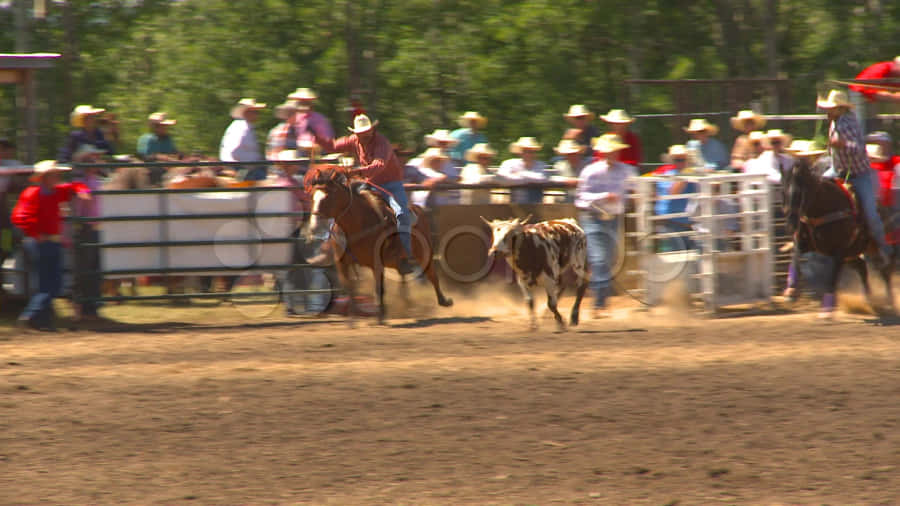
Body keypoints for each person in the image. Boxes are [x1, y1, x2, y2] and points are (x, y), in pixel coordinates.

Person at [314, 114, 419, 274]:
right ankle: (329, 243)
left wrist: (355, 171)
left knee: (401, 213)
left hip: (391, 185)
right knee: (340, 201)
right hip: (370, 182)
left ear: (371, 131)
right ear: (356, 133)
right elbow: (333, 146)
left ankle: (405, 255)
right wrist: (316, 137)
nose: (363, 136)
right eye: (360, 133)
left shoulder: (382, 143)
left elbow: (379, 165)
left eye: (366, 132)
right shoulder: (353, 140)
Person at [12, 160, 91, 331]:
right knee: (49, 283)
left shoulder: (56, 192)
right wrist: (35, 234)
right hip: (40, 242)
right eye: (54, 174)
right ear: (45, 177)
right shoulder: (33, 193)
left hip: (51, 241)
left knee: (50, 284)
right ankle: (32, 315)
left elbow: (76, 185)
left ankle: (40, 320)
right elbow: (20, 217)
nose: (57, 177)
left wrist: (83, 191)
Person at [817, 89, 892, 267]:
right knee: (817, 190)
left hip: (860, 174)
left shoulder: (849, 123)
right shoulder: (835, 122)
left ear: (840, 109)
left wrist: (842, 144)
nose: (828, 111)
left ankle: (884, 249)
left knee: (871, 213)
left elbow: (858, 149)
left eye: (832, 108)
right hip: (838, 170)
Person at [575, 134, 637, 318]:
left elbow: (637, 186)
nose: (613, 154)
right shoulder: (590, 171)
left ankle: (599, 301)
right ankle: (599, 305)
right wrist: (603, 196)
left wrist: (638, 194)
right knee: (600, 259)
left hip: (613, 218)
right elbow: (581, 198)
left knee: (607, 260)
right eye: (610, 151)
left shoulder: (626, 170)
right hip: (593, 217)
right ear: (602, 152)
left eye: (615, 151)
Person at [220, 98, 267, 181]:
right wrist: (250, 165)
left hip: (241, 166)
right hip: (242, 168)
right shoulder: (242, 128)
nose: (258, 114)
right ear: (246, 112)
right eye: (255, 112)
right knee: (262, 182)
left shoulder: (240, 126)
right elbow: (235, 152)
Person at [498, 137, 548, 204]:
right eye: (525, 151)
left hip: (537, 205)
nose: (528, 154)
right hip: (515, 206)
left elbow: (542, 178)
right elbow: (501, 177)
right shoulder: (510, 163)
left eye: (531, 151)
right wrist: (530, 178)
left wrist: (519, 174)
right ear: (520, 152)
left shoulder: (541, 165)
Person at [288, 88, 334, 156]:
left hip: (315, 154)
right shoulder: (292, 119)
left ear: (311, 103)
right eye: (300, 101)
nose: (303, 103)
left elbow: (328, 140)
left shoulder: (319, 119)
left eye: (306, 101)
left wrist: (314, 147)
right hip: (295, 153)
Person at [865, 131, 900, 210]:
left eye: (880, 143)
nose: (878, 146)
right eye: (873, 143)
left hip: (893, 208)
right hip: (874, 206)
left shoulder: (896, 162)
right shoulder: (867, 166)